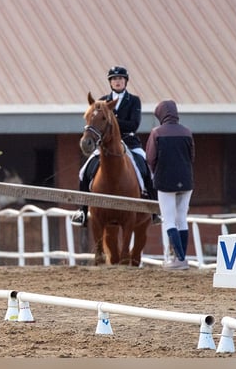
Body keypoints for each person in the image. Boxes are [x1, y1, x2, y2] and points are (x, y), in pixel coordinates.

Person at [72, 65, 158, 227]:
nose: (117, 82)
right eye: (114, 79)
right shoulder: (102, 101)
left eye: (120, 79)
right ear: (110, 82)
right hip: (106, 144)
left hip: (129, 141)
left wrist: (111, 122)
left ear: (125, 81)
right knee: (84, 171)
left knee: (146, 166)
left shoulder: (133, 100)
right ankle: (82, 211)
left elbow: (134, 124)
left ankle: (154, 209)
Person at [146, 99, 195, 270]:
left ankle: (178, 259)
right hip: (187, 181)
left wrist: (157, 172)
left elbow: (150, 158)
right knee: (182, 218)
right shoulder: (187, 132)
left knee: (169, 220)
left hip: (166, 181)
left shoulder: (156, 132)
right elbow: (191, 156)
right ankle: (183, 258)